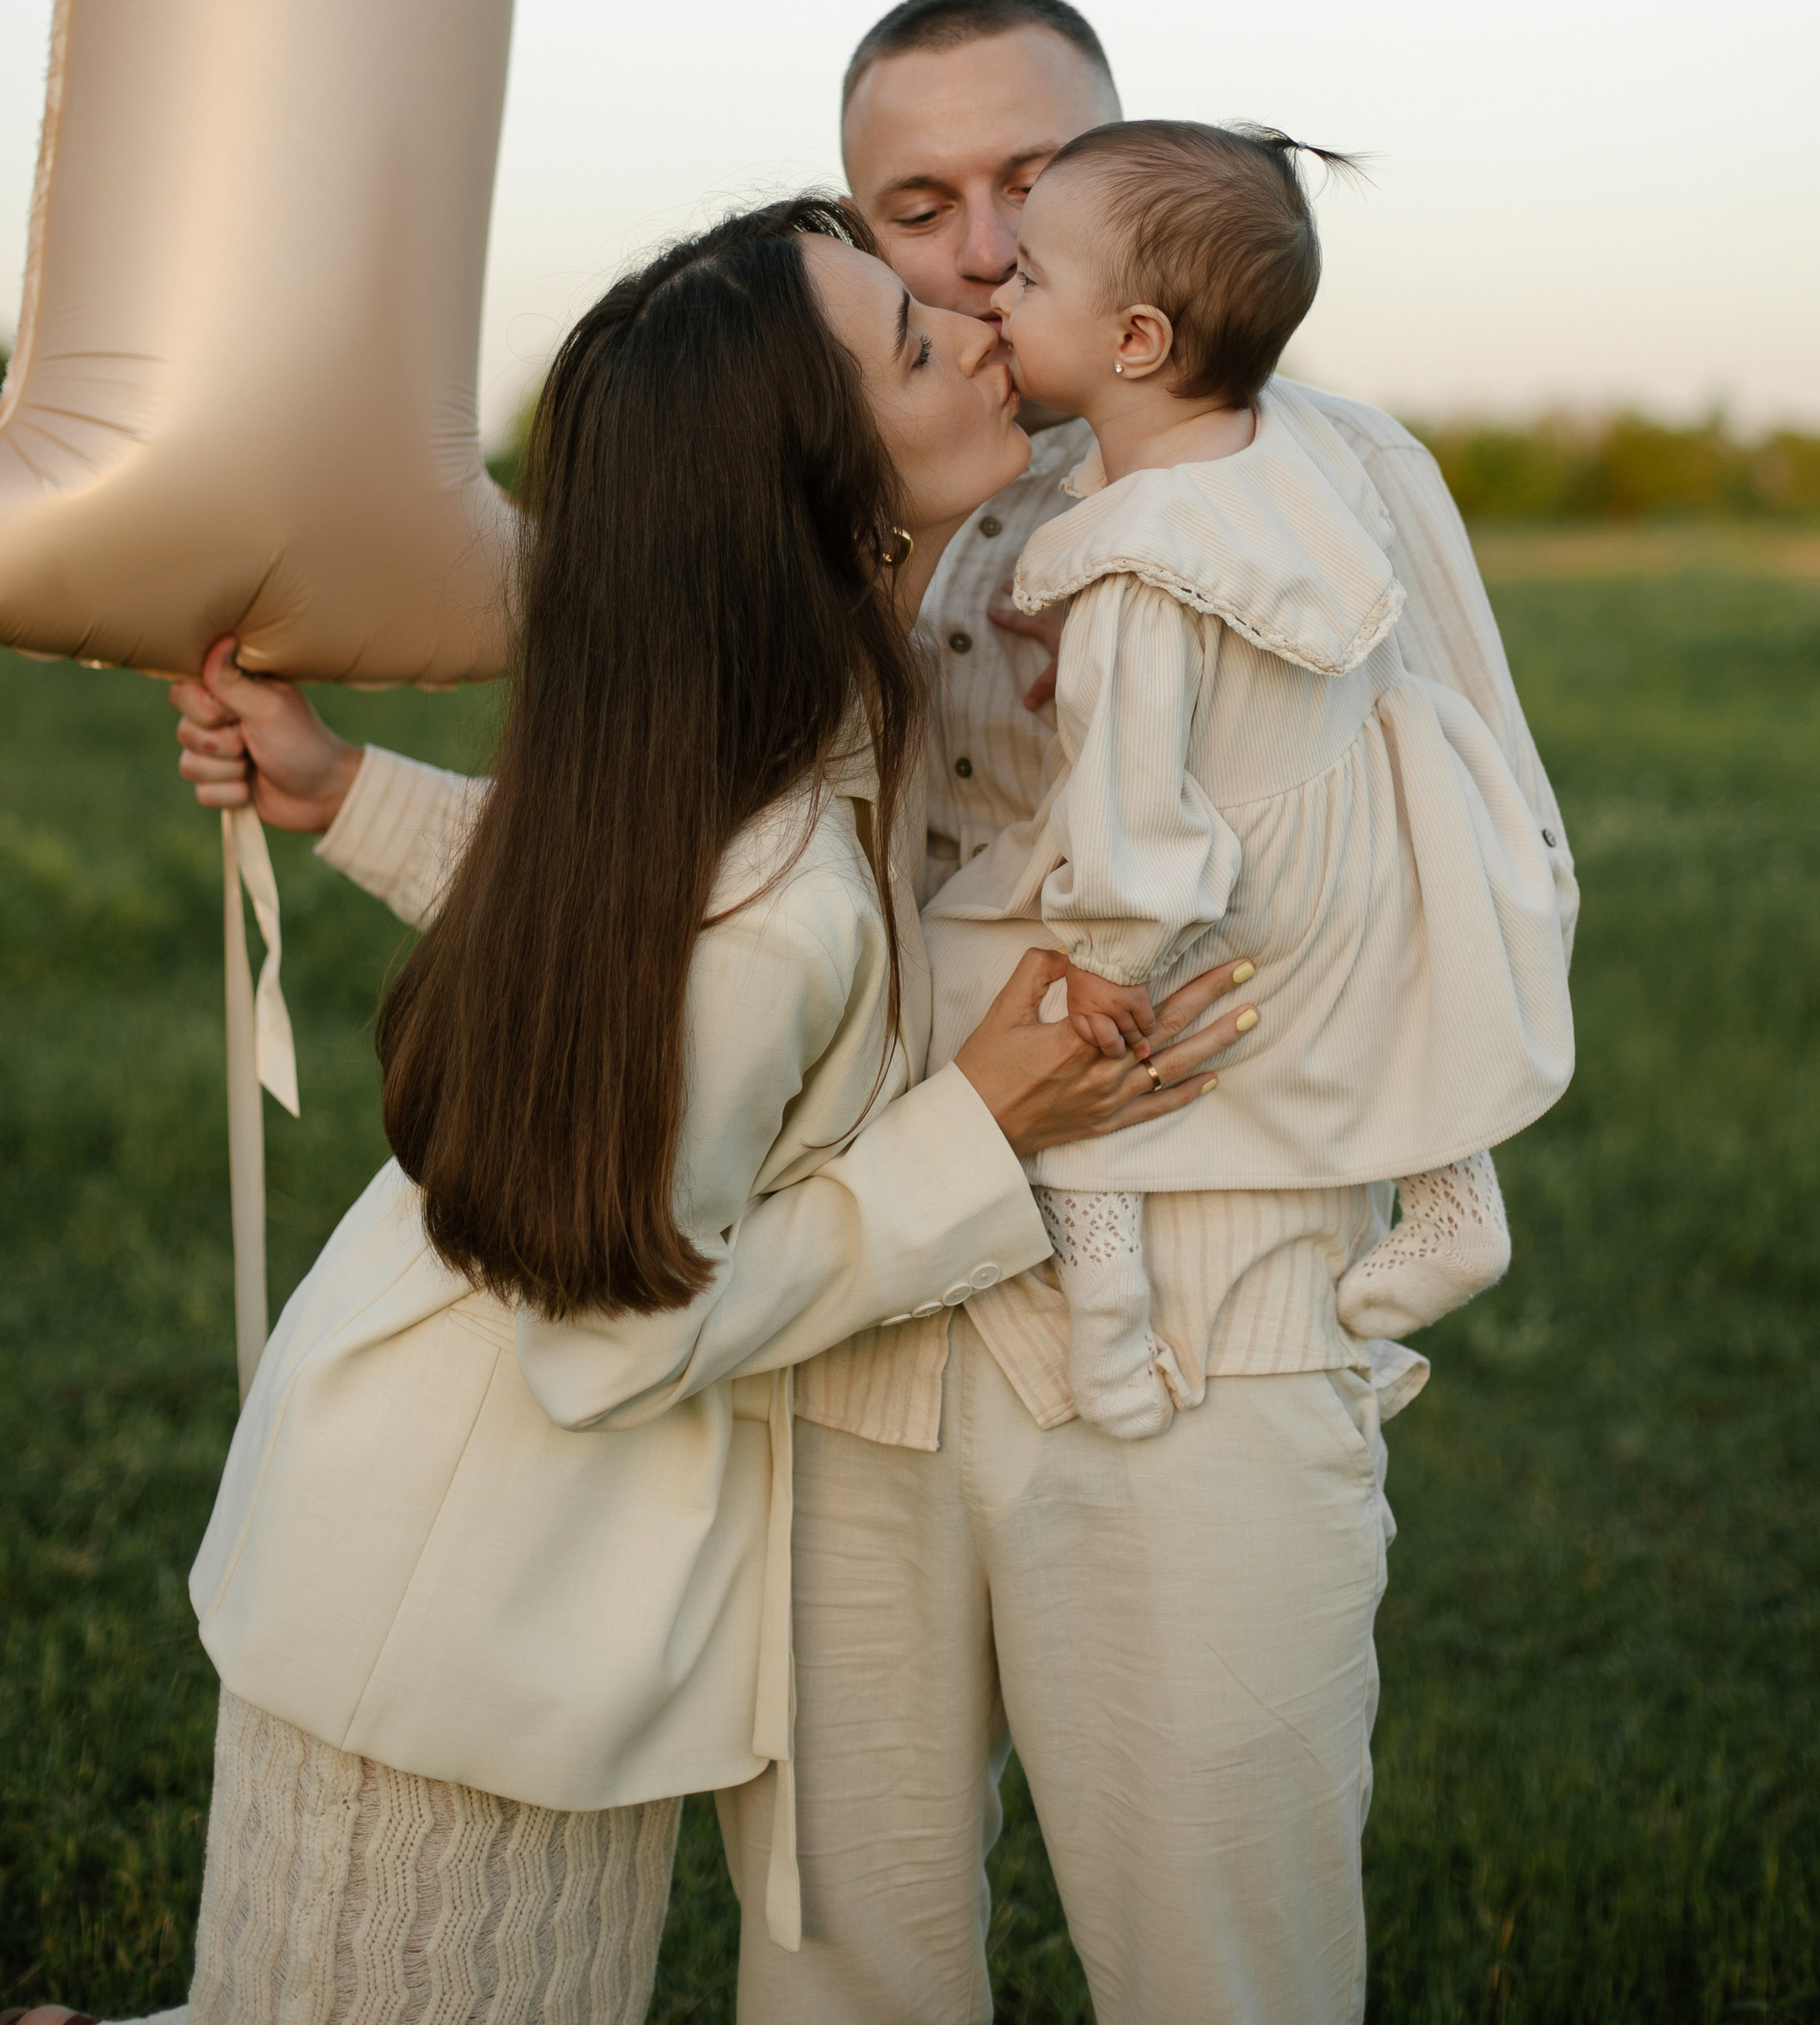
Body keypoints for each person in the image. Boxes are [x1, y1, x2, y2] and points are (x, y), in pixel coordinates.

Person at [174, 0, 1580, 2024]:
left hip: (1182, 1330)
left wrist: (1335, 1118)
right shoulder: (856, 508)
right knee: (839, 1961)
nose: (991, 247)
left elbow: (1490, 863)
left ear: (1131, 180)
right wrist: (352, 797)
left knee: (1219, 1956)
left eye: (1037, 179)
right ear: (859, 230)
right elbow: (696, 905)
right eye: (921, 207)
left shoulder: (1319, 477)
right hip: (839, 1366)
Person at [102, 193, 1249, 2025]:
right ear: (814, 490)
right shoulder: (774, 861)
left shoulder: (723, 742)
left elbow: (610, 930)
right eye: (905, 337)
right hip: (456, 1638)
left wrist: (346, 796)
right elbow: (612, 1339)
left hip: (459, 1580)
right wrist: (972, 1125)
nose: (966, 319)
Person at [923, 118, 1575, 1438]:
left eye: (1034, 277)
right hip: (1373, 828)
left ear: (1137, 343)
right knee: (1404, 1003)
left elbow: (1133, 791)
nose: (999, 285)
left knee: (1070, 1061)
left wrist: (1109, 947)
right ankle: (1456, 1199)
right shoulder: (1275, 458)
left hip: (1227, 874)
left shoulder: (1127, 566)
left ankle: (1107, 1331)